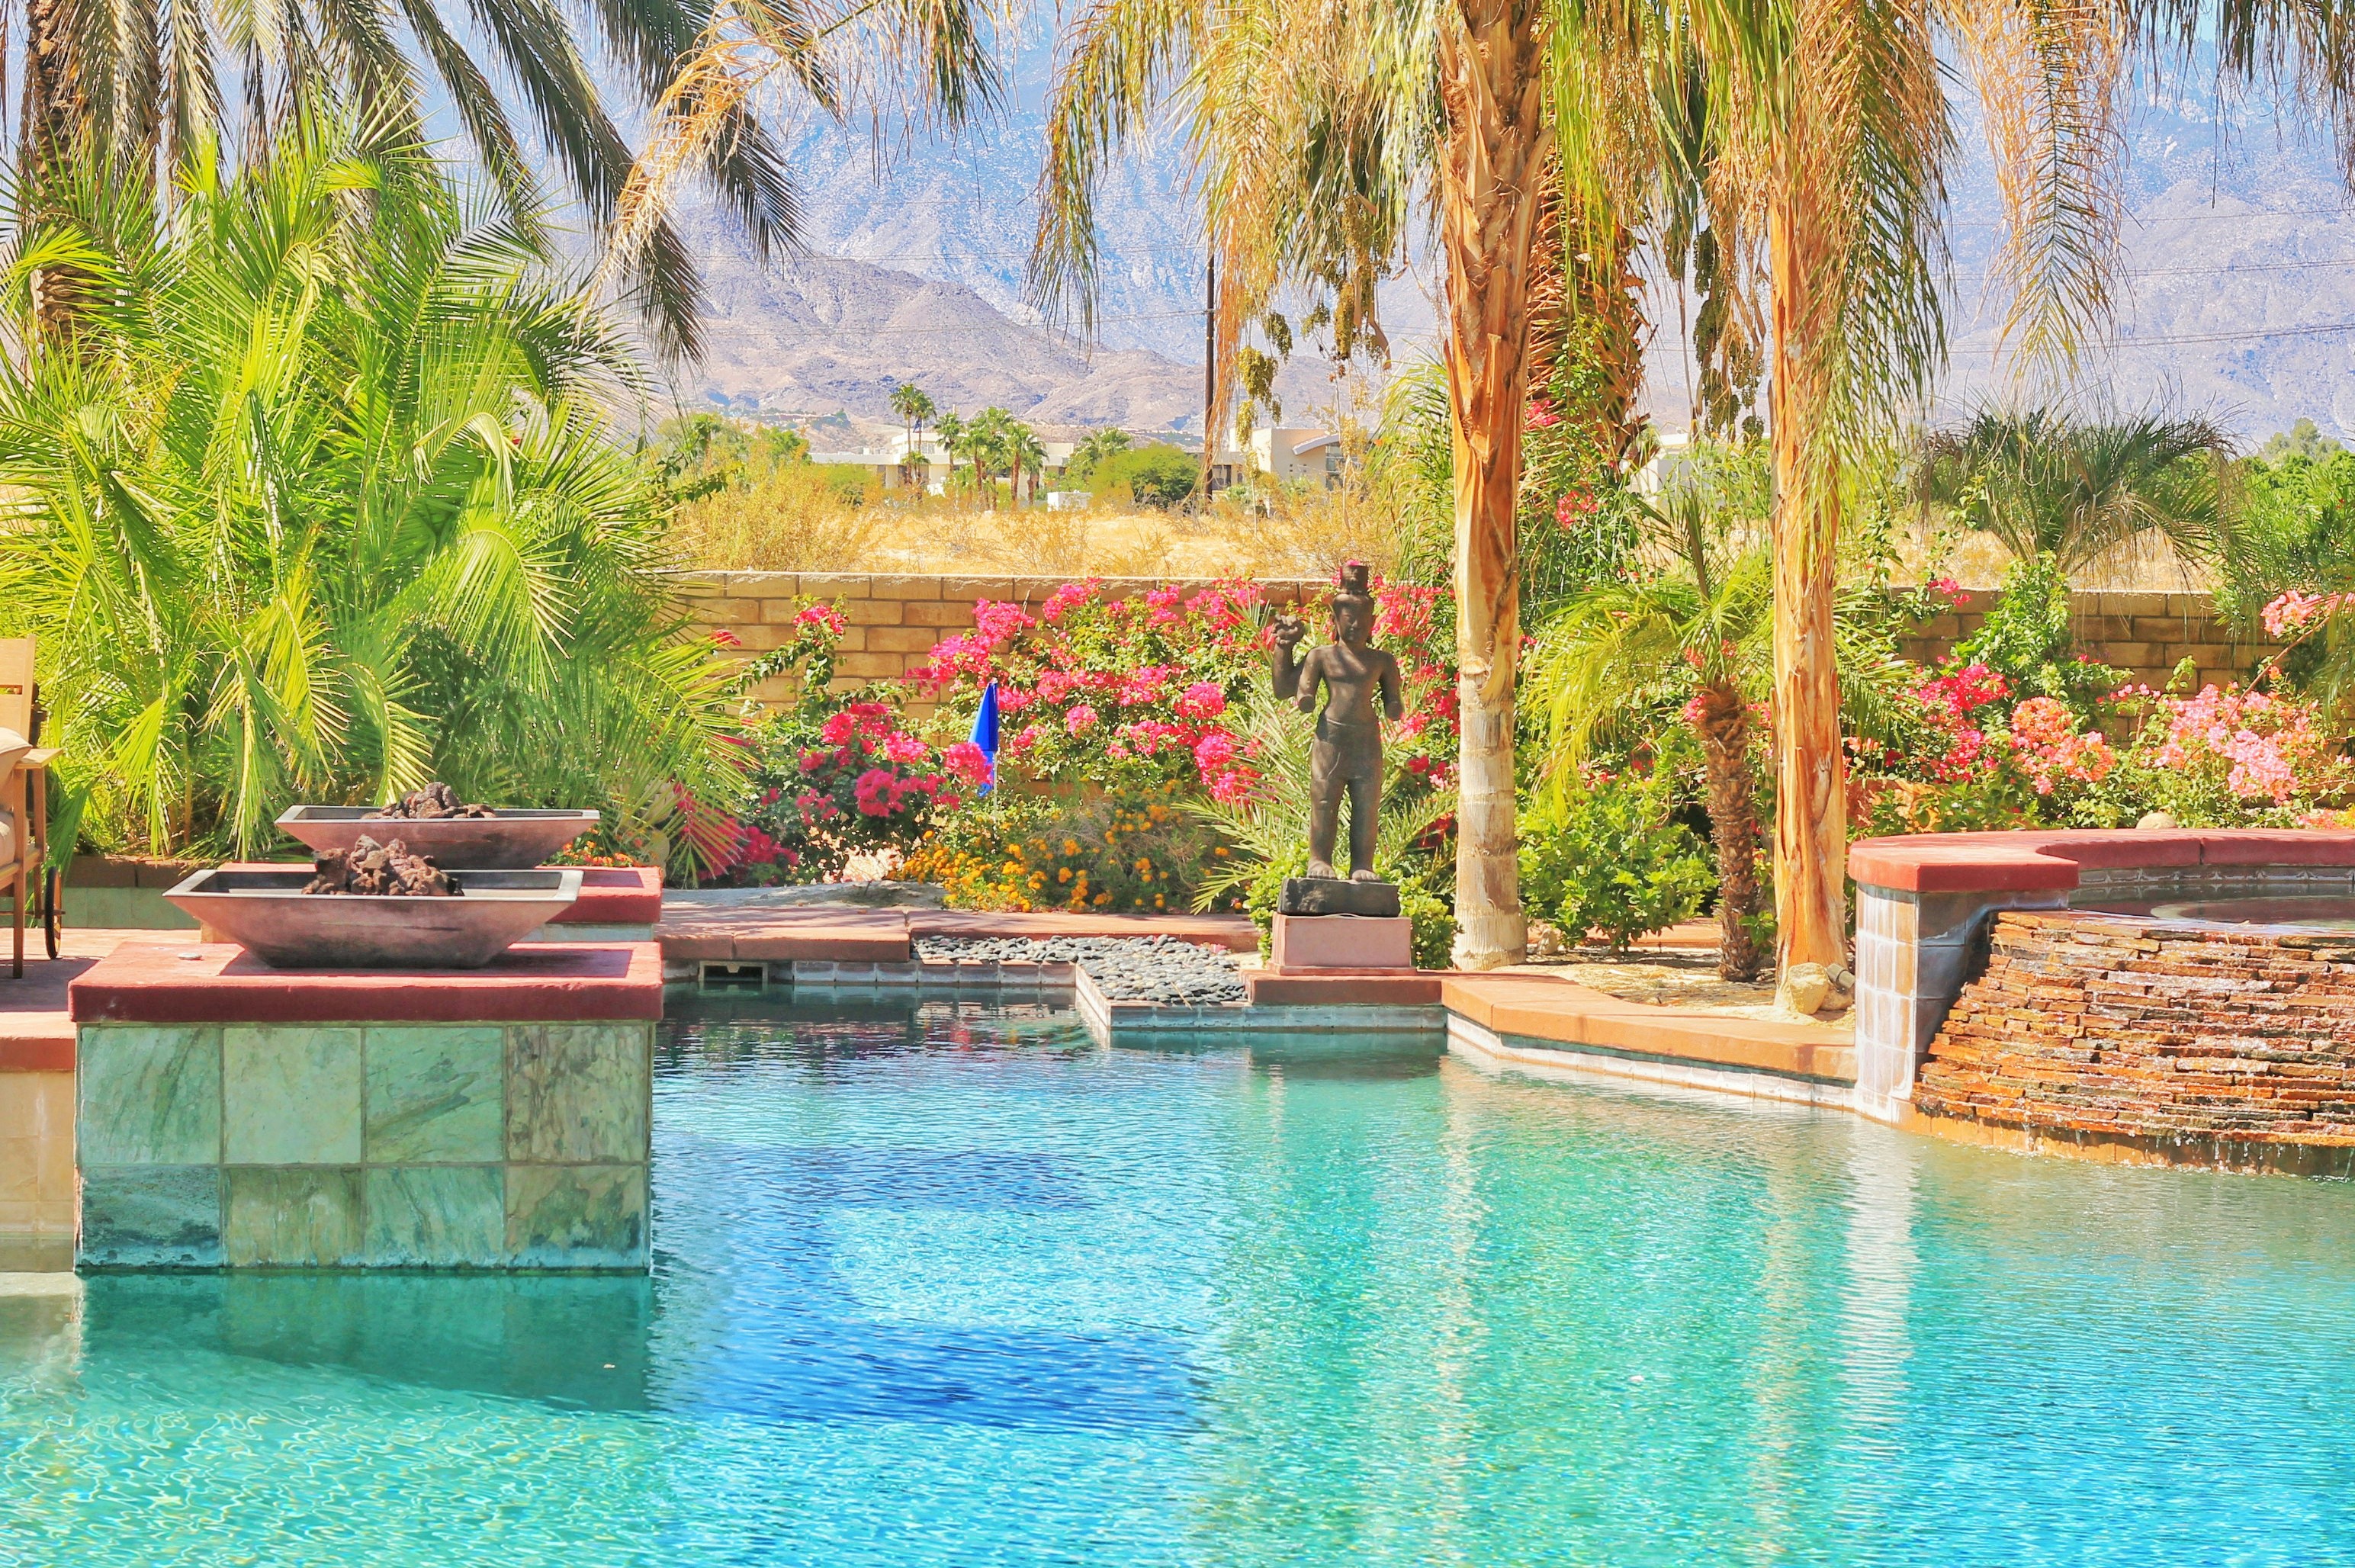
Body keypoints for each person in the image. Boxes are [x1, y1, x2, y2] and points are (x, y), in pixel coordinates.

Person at [1271, 562, 1403, 881]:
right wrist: (1284, 647)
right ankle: (1320, 860)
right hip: (1331, 737)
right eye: (1348, 619)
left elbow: (1393, 699)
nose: (1356, 625)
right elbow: (1284, 688)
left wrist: (1395, 706)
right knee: (1325, 799)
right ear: (1335, 620)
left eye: (1362, 619)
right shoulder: (1322, 656)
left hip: (1366, 739)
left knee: (1366, 805)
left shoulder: (1382, 661)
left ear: (1373, 622)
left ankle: (1362, 865)